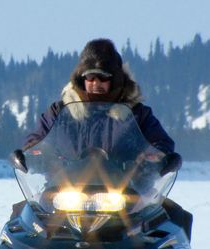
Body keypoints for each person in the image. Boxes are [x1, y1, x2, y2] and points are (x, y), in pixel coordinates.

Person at [12, 38, 192, 241]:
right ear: (81, 79)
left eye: (102, 78)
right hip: (64, 191)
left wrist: (155, 158)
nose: (95, 83)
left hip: (126, 192)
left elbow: (161, 144)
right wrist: (35, 155)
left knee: (170, 223)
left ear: (114, 79)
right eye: (90, 77)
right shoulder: (59, 111)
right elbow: (37, 141)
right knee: (21, 224)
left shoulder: (137, 113)